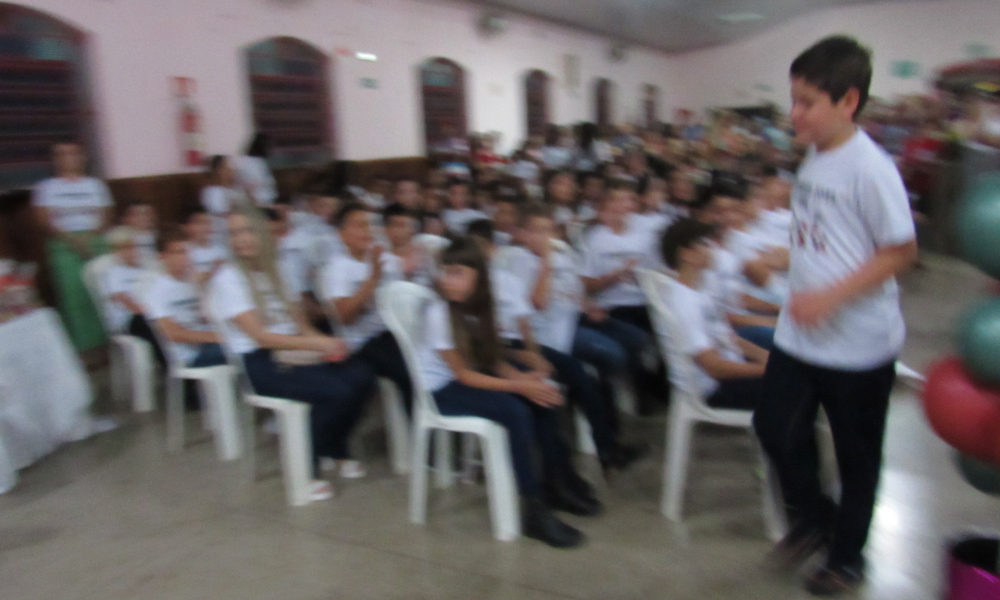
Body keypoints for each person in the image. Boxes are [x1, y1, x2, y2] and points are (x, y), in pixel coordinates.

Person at [753, 36, 917, 596]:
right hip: (801, 334)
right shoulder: (815, 154)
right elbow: (827, 236)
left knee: (857, 456)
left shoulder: (871, 168)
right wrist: (789, 257)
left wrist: (832, 295)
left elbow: (900, 251)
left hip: (858, 343)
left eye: (807, 102)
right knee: (774, 427)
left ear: (848, 101)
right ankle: (815, 518)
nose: (793, 113)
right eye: (792, 100)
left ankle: (847, 558)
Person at [415, 236, 584, 548]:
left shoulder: (481, 307)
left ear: (478, 276)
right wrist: (519, 384)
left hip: (471, 378)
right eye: (445, 272)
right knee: (515, 410)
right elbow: (463, 375)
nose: (448, 280)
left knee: (541, 400)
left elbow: (491, 359)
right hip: (442, 390)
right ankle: (533, 507)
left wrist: (528, 380)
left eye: (457, 272)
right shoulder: (440, 313)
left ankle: (556, 481)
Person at [207, 210, 377, 497]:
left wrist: (327, 342)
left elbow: (300, 324)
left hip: (295, 349)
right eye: (234, 233)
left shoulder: (277, 269)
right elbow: (261, 337)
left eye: (248, 230)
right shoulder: (229, 278)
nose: (242, 239)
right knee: (335, 390)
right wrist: (317, 346)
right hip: (262, 362)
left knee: (362, 376)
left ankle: (331, 446)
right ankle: (306, 470)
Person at [659, 218, 768, 410]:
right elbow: (712, 366)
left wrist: (770, 360)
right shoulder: (685, 302)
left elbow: (728, 338)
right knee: (798, 388)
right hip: (715, 390)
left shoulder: (699, 290)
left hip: (729, 376)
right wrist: (766, 370)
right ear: (686, 255)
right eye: (704, 243)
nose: (711, 248)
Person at [320, 202, 414, 414]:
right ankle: (422, 436)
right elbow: (343, 317)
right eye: (359, 225)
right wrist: (372, 280)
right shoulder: (337, 268)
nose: (368, 230)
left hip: (395, 332)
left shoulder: (389, 261)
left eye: (371, 225)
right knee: (410, 371)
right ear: (342, 234)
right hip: (363, 342)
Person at [32, 142, 113, 352]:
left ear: (82, 157)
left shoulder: (95, 185)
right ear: (55, 159)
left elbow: (106, 215)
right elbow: (44, 221)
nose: (68, 157)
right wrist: (73, 240)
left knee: (101, 292)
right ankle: (84, 347)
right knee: (74, 296)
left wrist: (90, 238)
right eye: (62, 154)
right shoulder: (47, 188)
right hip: (63, 245)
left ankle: (110, 343)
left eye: (73, 153)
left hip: (95, 240)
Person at [144, 229, 225, 369]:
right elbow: (173, 334)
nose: (186, 257)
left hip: (210, 345)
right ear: (163, 257)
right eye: (179, 253)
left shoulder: (192, 282)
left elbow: (206, 317)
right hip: (189, 358)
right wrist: (218, 337)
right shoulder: (156, 291)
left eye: (187, 251)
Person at [101, 226, 165, 366]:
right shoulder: (113, 273)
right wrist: (153, 312)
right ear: (115, 251)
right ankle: (169, 366)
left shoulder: (145, 269)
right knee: (154, 325)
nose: (130, 251)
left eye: (132, 246)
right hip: (129, 320)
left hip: (148, 314)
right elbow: (126, 303)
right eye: (124, 248)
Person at [201, 155, 246, 246]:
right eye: (227, 167)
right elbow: (227, 213)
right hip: (222, 237)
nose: (232, 170)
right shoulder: (211, 192)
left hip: (241, 232)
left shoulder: (237, 191)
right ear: (219, 171)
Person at [182, 208, 227, 285]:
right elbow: (190, 280)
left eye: (207, 222)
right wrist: (214, 270)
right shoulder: (183, 251)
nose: (205, 227)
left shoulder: (221, 250)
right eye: (200, 223)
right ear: (188, 226)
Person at [234, 133, 278, 206]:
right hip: (257, 201)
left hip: (267, 199)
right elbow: (251, 183)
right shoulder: (248, 162)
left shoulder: (261, 161)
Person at [121, 200, 158, 268]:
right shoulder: (120, 238)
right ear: (127, 218)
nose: (142, 217)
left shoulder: (160, 237)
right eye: (137, 214)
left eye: (146, 214)